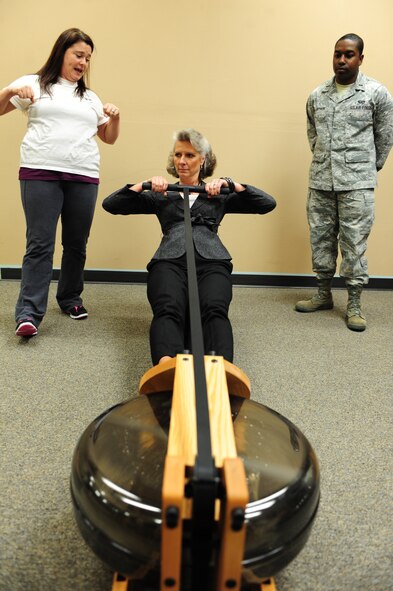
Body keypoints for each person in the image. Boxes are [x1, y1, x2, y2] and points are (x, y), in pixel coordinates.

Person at [103, 128, 276, 365]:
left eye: (190, 156)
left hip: (212, 261)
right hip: (169, 260)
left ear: (203, 159)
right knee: (167, 307)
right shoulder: (162, 194)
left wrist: (230, 183)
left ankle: (221, 368)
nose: (182, 161)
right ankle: (166, 366)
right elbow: (111, 205)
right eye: (178, 155)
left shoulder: (218, 193)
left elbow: (267, 204)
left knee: (214, 308)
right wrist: (143, 185)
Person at [0, 28, 120, 338]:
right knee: (40, 244)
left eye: (88, 58)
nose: (83, 62)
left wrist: (115, 118)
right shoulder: (34, 83)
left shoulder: (91, 98)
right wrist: (9, 91)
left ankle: (70, 299)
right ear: (62, 53)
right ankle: (28, 313)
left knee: (76, 244)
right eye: (79, 55)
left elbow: (108, 137)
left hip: (83, 175)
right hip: (40, 173)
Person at [295, 33, 393, 331]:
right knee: (321, 239)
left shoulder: (376, 93)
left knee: (354, 243)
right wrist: (328, 163)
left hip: (357, 186)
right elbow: (314, 136)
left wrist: (364, 169)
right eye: (338, 54)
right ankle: (323, 294)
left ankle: (353, 303)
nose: (342, 60)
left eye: (349, 54)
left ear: (360, 58)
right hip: (321, 181)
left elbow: (385, 136)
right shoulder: (317, 95)